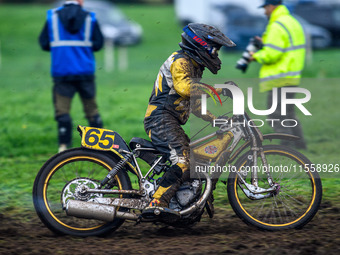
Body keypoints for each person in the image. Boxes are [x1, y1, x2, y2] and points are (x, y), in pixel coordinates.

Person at [142, 23, 235, 220]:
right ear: (200, 44)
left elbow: (193, 103)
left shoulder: (194, 66)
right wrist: (218, 90)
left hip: (170, 121)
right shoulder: (181, 60)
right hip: (160, 119)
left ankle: (186, 206)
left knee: (195, 162)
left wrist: (214, 120)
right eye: (214, 49)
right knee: (183, 161)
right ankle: (157, 202)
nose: (216, 54)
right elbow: (185, 88)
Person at [39, 0, 104, 152]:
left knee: (62, 111)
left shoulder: (52, 16)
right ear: (80, 1)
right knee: (92, 110)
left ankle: (63, 146)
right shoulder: (90, 18)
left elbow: (43, 43)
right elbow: (98, 44)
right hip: (85, 72)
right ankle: (99, 147)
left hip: (62, 72)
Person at [250, 0, 307, 149]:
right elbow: (287, 45)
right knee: (289, 114)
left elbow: (272, 54)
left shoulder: (277, 25)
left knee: (277, 116)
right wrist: (266, 42)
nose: (264, 12)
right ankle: (300, 146)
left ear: (272, 6)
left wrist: (254, 56)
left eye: (265, 8)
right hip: (292, 76)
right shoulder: (292, 21)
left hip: (279, 77)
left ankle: (286, 148)